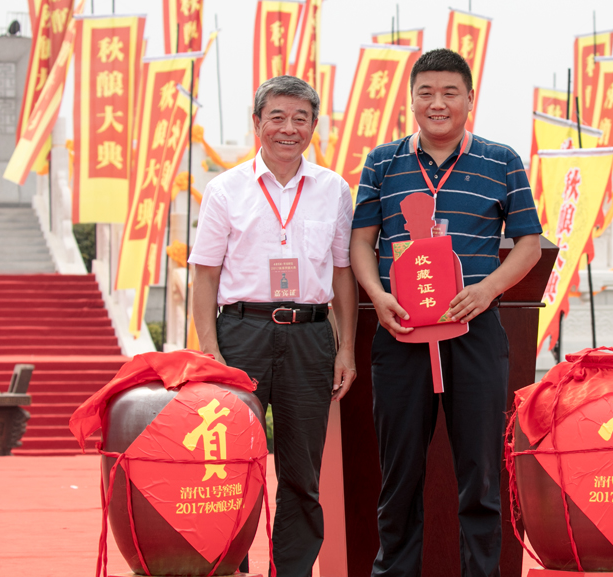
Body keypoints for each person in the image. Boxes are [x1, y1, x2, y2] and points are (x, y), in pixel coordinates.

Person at [350, 49, 542, 577]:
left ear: (469, 99)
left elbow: (528, 243)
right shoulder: (382, 162)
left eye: (450, 92)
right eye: (426, 92)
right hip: (401, 331)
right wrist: (378, 296)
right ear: (411, 99)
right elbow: (361, 243)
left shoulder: (501, 160)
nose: (437, 103)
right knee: (399, 475)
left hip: (475, 332)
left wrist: (487, 290)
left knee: (481, 474)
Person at [189, 75, 357, 577]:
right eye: (277, 117)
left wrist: (345, 348)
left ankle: (292, 570)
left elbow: (343, 273)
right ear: (257, 122)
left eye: (300, 118)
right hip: (243, 332)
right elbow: (205, 274)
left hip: (310, 335)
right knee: (232, 465)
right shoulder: (225, 189)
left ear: (314, 125)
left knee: (302, 470)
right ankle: (230, 566)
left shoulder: (334, 189)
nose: (289, 128)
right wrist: (210, 351)